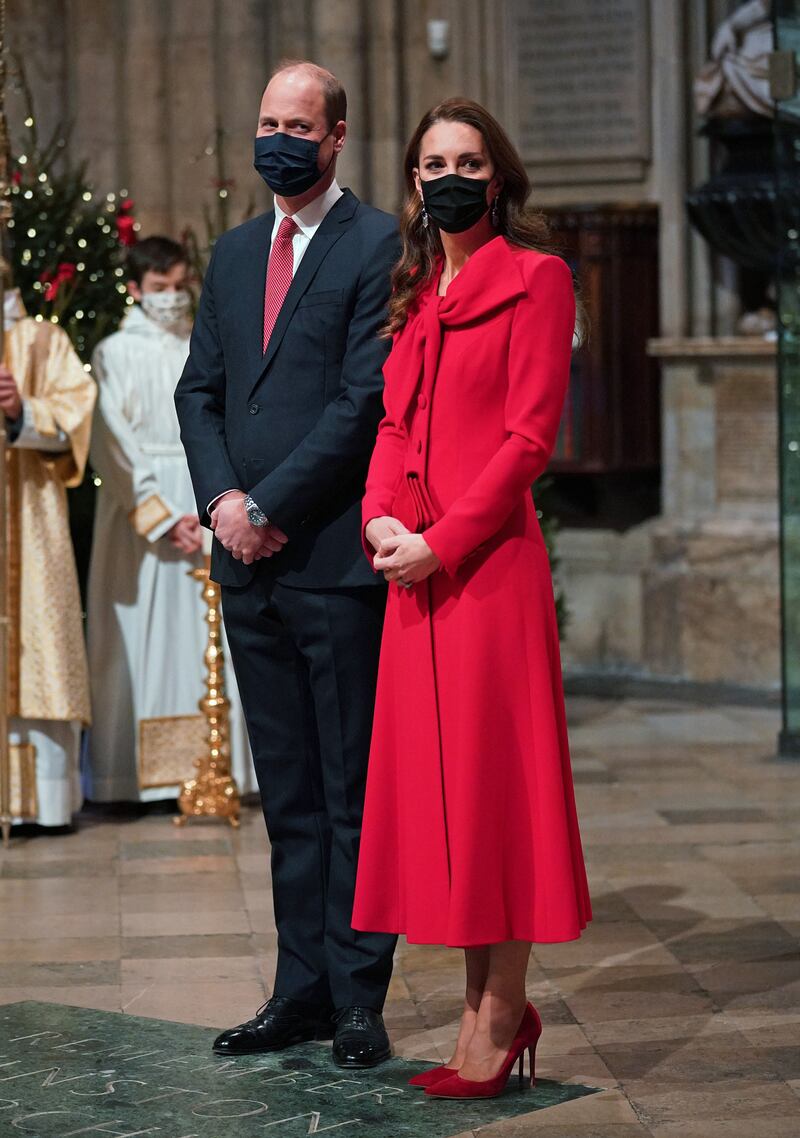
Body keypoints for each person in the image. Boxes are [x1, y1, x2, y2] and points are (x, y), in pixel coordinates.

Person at [352, 98, 592, 1100]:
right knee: (443, 802)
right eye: (432, 162)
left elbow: (526, 440)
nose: (450, 176)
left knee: (494, 791)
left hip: (485, 574)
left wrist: (439, 544)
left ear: (497, 179)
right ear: (413, 183)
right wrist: (377, 522)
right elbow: (394, 432)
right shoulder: (415, 294)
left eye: (468, 161)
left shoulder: (536, 279)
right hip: (411, 575)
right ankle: (481, 1001)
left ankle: (498, 1010)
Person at [175, 60, 399, 1068]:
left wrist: (268, 504)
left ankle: (357, 997)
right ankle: (297, 988)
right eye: (267, 121)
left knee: (350, 790)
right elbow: (200, 393)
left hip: (329, 561)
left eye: (298, 124)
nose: (280, 139)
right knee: (291, 797)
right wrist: (226, 502)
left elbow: (361, 402)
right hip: (250, 564)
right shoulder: (228, 254)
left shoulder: (375, 240)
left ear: (336, 135)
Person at [85, 237, 253, 805]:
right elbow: (110, 439)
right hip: (145, 511)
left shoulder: (204, 345)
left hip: (207, 492)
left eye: (180, 286)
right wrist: (158, 517)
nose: (173, 299)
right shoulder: (116, 352)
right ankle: (144, 781)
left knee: (218, 639)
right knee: (146, 640)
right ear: (134, 290)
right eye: (159, 289)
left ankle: (221, 767)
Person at [0, 283, 95, 829]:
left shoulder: (41, 340)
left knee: (40, 638)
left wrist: (21, 411)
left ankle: (44, 805)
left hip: (30, 518)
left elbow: (74, 413)